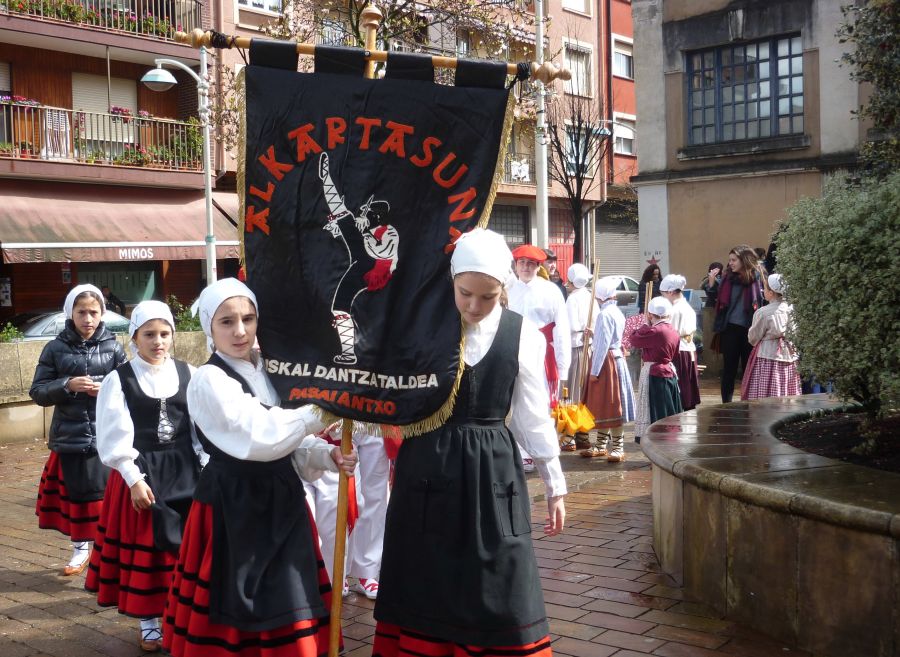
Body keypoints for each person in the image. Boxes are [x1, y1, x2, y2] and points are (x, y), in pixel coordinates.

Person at [374, 228, 566, 657]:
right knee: (428, 576)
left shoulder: (525, 336)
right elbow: (389, 394)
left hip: (493, 470)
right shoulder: (421, 330)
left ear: (504, 289)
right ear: (452, 281)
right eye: (465, 294)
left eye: (488, 296)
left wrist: (555, 483)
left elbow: (533, 417)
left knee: (502, 574)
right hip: (427, 466)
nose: (474, 306)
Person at [162, 278, 358, 657]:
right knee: (239, 603)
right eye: (227, 322)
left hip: (281, 497)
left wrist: (324, 454)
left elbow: (288, 441)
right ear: (209, 326)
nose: (240, 331)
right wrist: (325, 407)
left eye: (248, 319)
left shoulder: (270, 369)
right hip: (234, 505)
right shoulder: (208, 380)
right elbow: (259, 437)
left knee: (289, 592)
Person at [85, 301, 206, 652]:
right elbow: (113, 436)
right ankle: (149, 619)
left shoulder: (191, 373)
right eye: (149, 334)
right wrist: (132, 477)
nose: (158, 341)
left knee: (184, 549)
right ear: (134, 337)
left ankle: (179, 614)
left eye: (165, 333)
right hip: (144, 473)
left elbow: (201, 430)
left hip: (185, 471)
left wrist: (207, 465)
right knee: (149, 551)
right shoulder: (118, 379)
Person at [30, 284, 127, 576]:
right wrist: (66, 385)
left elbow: (130, 388)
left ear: (102, 314)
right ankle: (80, 548)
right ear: (70, 313)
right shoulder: (55, 348)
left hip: (106, 434)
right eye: (81, 312)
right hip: (71, 436)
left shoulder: (114, 346)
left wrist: (109, 391)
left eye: (94, 312)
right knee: (79, 499)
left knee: (106, 499)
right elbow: (37, 391)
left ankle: (108, 552)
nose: (88, 318)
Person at [305, 422, 390, 601]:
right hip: (337, 409)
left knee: (375, 493)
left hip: (375, 407)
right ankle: (338, 570)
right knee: (342, 497)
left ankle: (367, 570)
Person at [507, 244, 570, 472]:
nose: (525, 267)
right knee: (511, 400)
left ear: (538, 266)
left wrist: (563, 367)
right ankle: (516, 450)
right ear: (515, 265)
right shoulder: (507, 288)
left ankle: (541, 451)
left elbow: (562, 329)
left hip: (541, 354)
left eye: (530, 263)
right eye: (521, 263)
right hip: (510, 350)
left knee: (539, 401)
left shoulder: (550, 291)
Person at [580, 277, 635, 462]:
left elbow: (603, 345)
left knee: (611, 405)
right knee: (606, 405)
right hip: (615, 359)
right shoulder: (616, 311)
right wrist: (594, 333)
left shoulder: (604, 314)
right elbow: (609, 338)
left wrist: (594, 371)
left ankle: (618, 446)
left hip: (607, 362)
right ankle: (602, 444)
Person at [713, 245, 765, 402]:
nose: (730, 263)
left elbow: (762, 302)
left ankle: (748, 402)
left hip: (750, 329)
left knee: (748, 369)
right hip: (730, 329)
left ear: (744, 260)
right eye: (729, 260)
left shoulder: (757, 277)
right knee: (729, 369)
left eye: (734, 260)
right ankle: (726, 404)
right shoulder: (727, 279)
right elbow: (719, 301)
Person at [742, 274, 801, 400]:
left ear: (772, 292)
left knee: (767, 391)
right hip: (790, 354)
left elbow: (753, 337)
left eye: (765, 288)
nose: (763, 291)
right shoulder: (792, 309)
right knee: (787, 390)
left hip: (768, 355)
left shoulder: (763, 312)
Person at [631, 297, 683, 443]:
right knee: (669, 409)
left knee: (657, 411)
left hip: (654, 373)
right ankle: (670, 440)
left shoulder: (655, 331)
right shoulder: (673, 330)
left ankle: (659, 443)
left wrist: (644, 326)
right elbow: (676, 353)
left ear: (650, 314)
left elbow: (634, 339)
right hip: (669, 371)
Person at [563, 263, 598, 451]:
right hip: (589, 347)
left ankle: (570, 436)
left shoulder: (573, 299)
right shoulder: (590, 296)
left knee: (573, 392)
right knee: (584, 392)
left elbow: (568, 326)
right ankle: (582, 434)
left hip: (576, 348)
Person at [660, 274, 701, 411]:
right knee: (687, 390)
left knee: (681, 391)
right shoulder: (686, 306)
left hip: (678, 351)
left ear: (670, 292)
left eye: (663, 294)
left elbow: (667, 334)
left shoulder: (673, 310)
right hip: (688, 350)